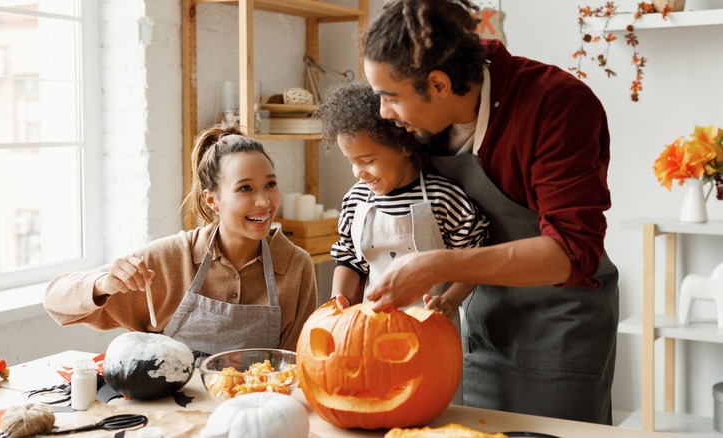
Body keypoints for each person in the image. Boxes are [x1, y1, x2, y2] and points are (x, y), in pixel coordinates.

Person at [360, 0, 619, 425]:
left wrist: (434, 265)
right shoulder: (414, 121)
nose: (384, 113)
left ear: (440, 85)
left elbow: (570, 253)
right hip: (478, 319)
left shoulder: (557, 105)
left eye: (390, 98)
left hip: (561, 323)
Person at [44, 123, 318, 355]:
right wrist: (102, 283)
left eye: (270, 184)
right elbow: (55, 300)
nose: (264, 201)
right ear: (213, 200)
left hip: (257, 409)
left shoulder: (295, 266)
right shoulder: (174, 259)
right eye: (245, 188)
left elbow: (296, 366)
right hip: (173, 413)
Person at [318, 82, 489, 404]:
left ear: (405, 144)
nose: (358, 173)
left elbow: (474, 259)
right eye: (350, 161)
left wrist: (450, 301)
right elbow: (350, 259)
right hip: (372, 331)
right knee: (380, 401)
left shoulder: (444, 197)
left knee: (433, 406)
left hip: (432, 331)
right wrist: (338, 301)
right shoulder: (356, 200)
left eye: (367, 160)